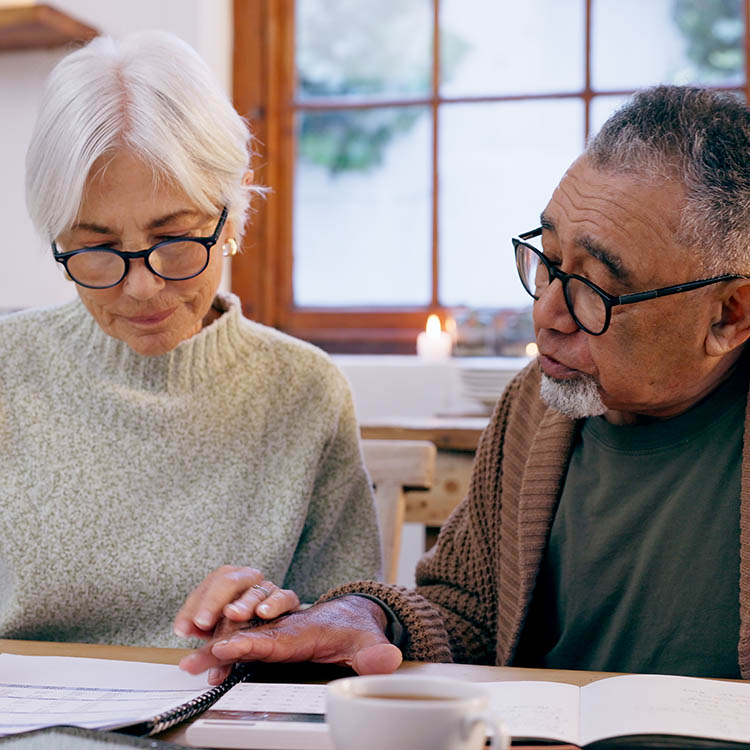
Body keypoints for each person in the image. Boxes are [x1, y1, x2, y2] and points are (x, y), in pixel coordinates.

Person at [180, 84, 750, 681]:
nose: (547, 315)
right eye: (549, 261)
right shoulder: (537, 405)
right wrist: (364, 615)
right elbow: (466, 611)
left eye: (598, 288)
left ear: (730, 314)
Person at [0, 30, 381, 652]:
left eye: (174, 239)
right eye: (96, 249)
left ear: (228, 219)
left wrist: (282, 625)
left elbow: (344, 623)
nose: (144, 287)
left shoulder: (304, 391)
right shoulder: (6, 370)